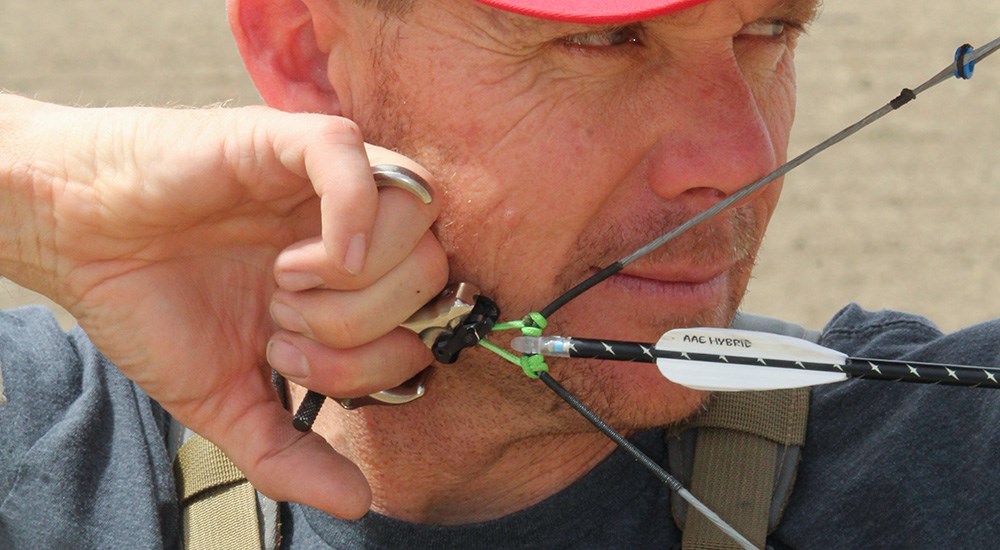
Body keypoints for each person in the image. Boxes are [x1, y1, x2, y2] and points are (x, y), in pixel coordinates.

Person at [1, 0, 998, 548]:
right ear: (308, 51)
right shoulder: (45, 450)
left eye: (767, 29)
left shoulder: (939, 458)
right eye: (606, 39)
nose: (740, 156)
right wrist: (42, 194)